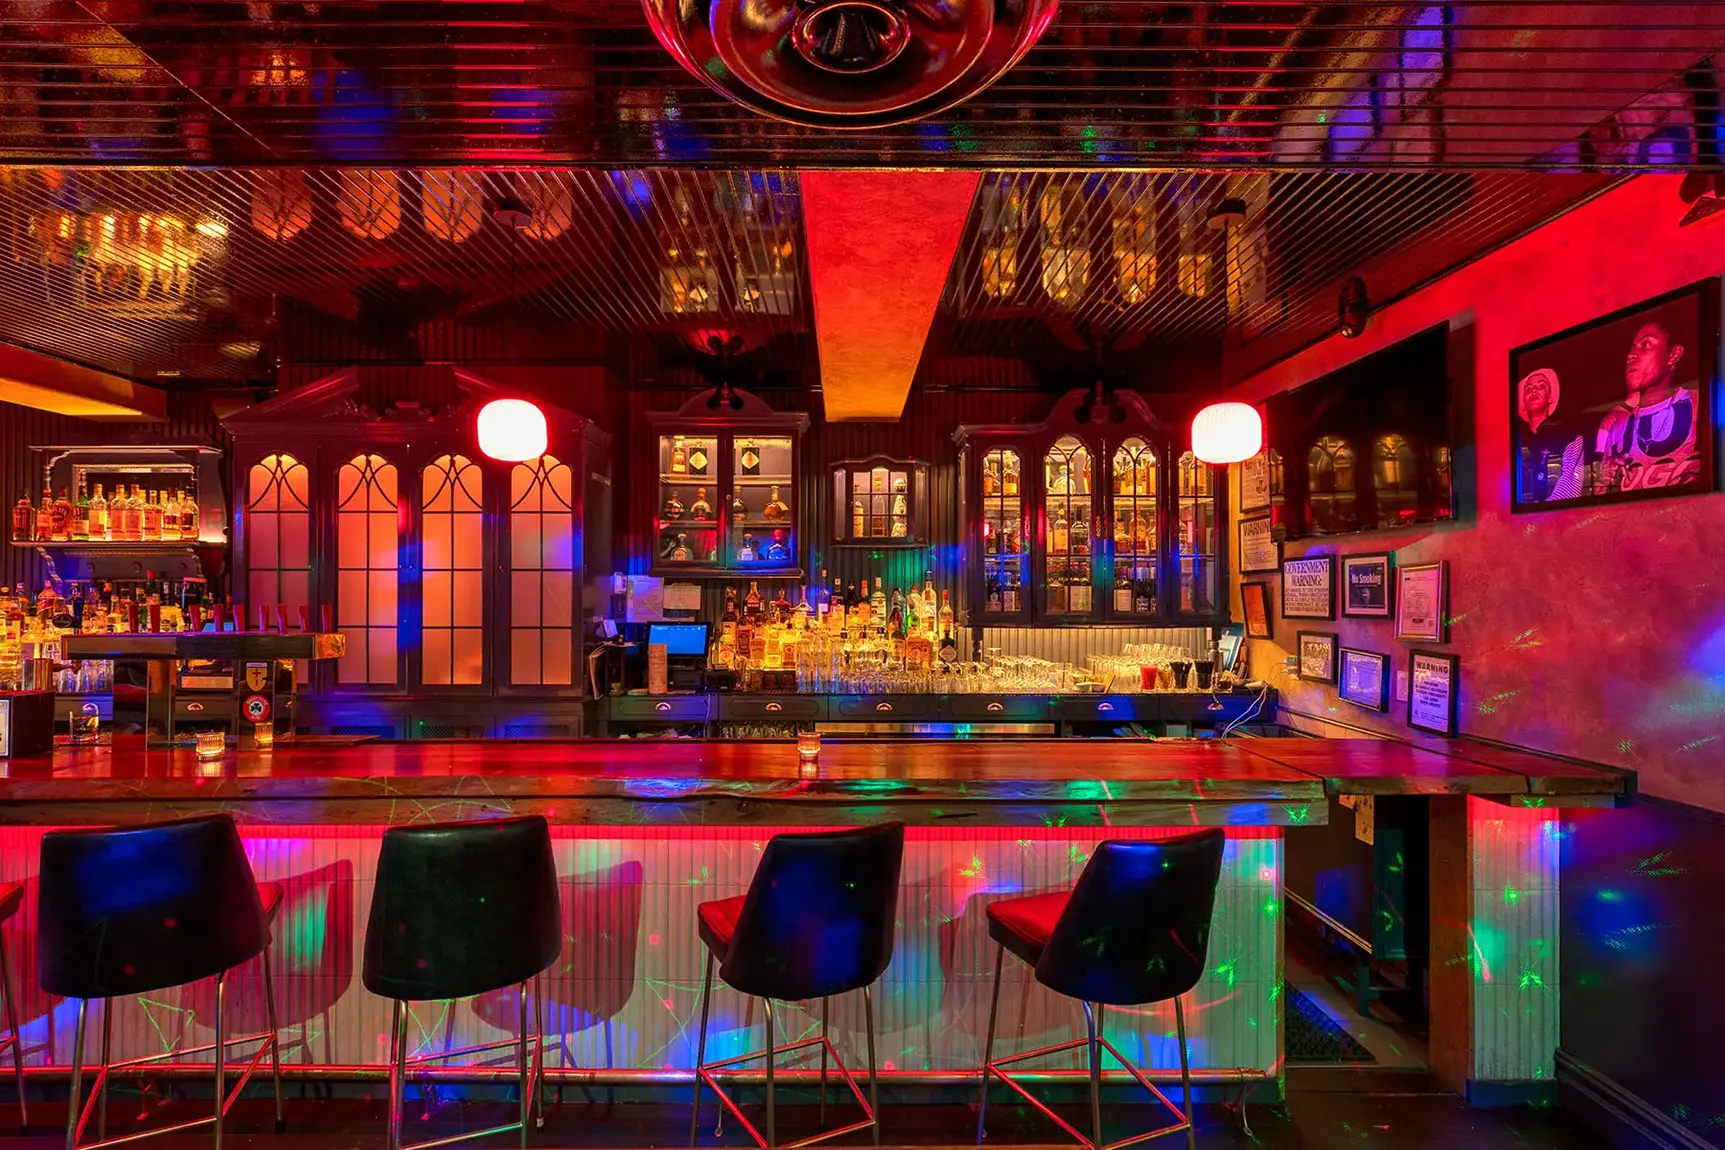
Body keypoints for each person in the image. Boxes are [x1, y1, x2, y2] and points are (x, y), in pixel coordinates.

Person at [1594, 319, 1699, 493]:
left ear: (1673, 355)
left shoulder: (1701, 404)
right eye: (1631, 349)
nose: (1631, 356)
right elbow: (1603, 495)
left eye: (1645, 344)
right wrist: (1608, 483)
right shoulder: (1617, 429)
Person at [1515, 367, 1585, 502]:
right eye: (1528, 389)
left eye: (1541, 386)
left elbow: (1570, 489)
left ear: (1550, 398)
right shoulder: (1516, 444)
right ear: (1522, 403)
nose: (1534, 390)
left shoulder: (1571, 438)